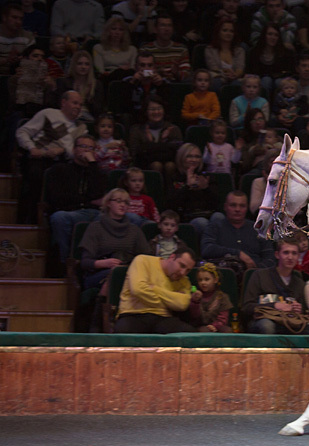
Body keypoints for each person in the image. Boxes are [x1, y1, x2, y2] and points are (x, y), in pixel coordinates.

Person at [78, 187, 151, 331]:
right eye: (118, 201)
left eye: (125, 202)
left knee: (122, 276)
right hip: (98, 273)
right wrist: (104, 263)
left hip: (127, 272)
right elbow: (84, 262)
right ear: (108, 203)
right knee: (113, 277)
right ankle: (99, 324)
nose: (122, 205)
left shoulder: (134, 230)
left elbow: (147, 257)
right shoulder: (95, 228)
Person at [15, 90, 86, 223]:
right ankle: (26, 221)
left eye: (80, 104)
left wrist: (62, 150)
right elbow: (22, 132)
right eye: (75, 103)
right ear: (63, 102)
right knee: (35, 176)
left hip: (64, 163)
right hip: (39, 158)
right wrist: (32, 148)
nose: (78, 107)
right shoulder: (49, 114)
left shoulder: (81, 128)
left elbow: (76, 153)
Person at [240, 237, 309, 335]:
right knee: (267, 326)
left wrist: (298, 309)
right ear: (277, 255)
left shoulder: (299, 282)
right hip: (264, 320)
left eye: (294, 253)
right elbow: (246, 308)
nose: (290, 257)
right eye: (286, 252)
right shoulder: (260, 276)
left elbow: (303, 312)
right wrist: (274, 306)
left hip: (290, 323)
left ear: (298, 256)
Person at [43, 134, 107, 263]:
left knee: (110, 218)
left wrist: (93, 164)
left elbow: (100, 194)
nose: (86, 150)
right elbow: (58, 198)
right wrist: (87, 201)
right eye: (83, 146)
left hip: (94, 213)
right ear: (74, 149)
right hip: (70, 212)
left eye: (90, 148)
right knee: (58, 217)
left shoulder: (97, 172)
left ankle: (98, 261)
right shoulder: (59, 169)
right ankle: (67, 262)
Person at [113, 248, 199, 334]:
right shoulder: (143, 260)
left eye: (188, 270)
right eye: (182, 266)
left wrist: (154, 289)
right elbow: (138, 290)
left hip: (163, 318)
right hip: (133, 314)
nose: (183, 273)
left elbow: (182, 304)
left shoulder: (184, 280)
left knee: (190, 333)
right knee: (124, 330)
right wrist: (169, 301)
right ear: (172, 257)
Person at [201, 190, 276, 268]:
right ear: (225, 207)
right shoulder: (214, 226)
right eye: (233, 205)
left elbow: (270, 259)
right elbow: (207, 249)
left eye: (242, 206)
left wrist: (254, 270)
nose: (237, 209)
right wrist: (238, 253)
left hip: (254, 275)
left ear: (247, 208)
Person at [166, 142, 223, 236]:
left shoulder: (206, 177)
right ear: (181, 158)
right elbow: (171, 205)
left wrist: (206, 189)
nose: (194, 160)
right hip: (188, 217)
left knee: (219, 217)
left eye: (197, 157)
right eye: (190, 156)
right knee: (202, 223)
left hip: (207, 214)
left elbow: (216, 203)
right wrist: (187, 187)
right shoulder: (175, 178)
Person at [127, 95, 182, 174]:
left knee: (170, 165)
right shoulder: (136, 130)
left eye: (159, 108)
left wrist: (150, 146)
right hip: (143, 167)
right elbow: (135, 154)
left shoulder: (173, 129)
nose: (156, 112)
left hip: (170, 163)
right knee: (156, 165)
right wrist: (160, 145)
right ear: (145, 111)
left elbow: (177, 152)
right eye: (152, 109)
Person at [53, 50, 105, 123]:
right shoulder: (63, 82)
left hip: (89, 119)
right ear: (74, 65)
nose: (83, 67)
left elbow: (98, 110)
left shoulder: (96, 84)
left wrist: (87, 97)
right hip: (66, 118)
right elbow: (59, 105)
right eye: (79, 64)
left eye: (87, 64)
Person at [246, 22, 297, 95]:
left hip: (281, 81)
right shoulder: (254, 52)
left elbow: (291, 73)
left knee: (279, 82)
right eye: (270, 34)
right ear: (264, 35)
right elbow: (249, 72)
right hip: (258, 82)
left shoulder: (286, 53)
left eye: (276, 35)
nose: (273, 37)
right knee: (266, 81)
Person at [139, 13, 191, 82]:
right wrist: (157, 72)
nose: (167, 29)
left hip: (174, 86)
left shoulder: (181, 49)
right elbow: (141, 72)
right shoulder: (145, 49)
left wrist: (176, 73)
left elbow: (187, 75)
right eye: (162, 25)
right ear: (155, 29)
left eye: (169, 26)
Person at [189, 262, 234, 332]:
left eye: (207, 279)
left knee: (228, 330)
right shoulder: (196, 296)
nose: (203, 283)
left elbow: (223, 318)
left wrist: (214, 326)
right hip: (200, 326)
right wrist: (195, 302)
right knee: (203, 330)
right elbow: (194, 316)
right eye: (200, 280)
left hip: (217, 325)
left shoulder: (222, 297)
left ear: (215, 280)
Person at [122, 52, 168, 118]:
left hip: (156, 116)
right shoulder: (127, 82)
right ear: (136, 67)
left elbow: (167, 106)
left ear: (154, 67)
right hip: (135, 117)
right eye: (142, 65)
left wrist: (161, 86)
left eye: (150, 65)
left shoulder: (163, 82)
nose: (146, 68)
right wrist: (132, 84)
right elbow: (123, 105)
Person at [204, 18, 245, 90]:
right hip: (218, 77)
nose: (228, 33)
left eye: (231, 31)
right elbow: (213, 67)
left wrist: (235, 75)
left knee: (236, 84)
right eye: (225, 30)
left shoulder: (239, 50)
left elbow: (240, 68)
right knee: (216, 82)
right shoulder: (210, 49)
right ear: (218, 32)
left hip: (234, 78)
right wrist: (225, 72)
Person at [92, 17, 138, 82]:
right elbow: (100, 70)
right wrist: (118, 71)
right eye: (114, 29)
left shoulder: (132, 50)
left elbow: (132, 70)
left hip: (126, 79)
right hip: (107, 79)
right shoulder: (98, 48)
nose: (117, 32)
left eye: (121, 29)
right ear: (108, 31)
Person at [0, 3, 35, 75]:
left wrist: (21, 60)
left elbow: (34, 60)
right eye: (14, 17)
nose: (18, 22)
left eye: (21, 19)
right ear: (4, 18)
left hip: (19, 75)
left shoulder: (28, 37)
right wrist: (7, 60)